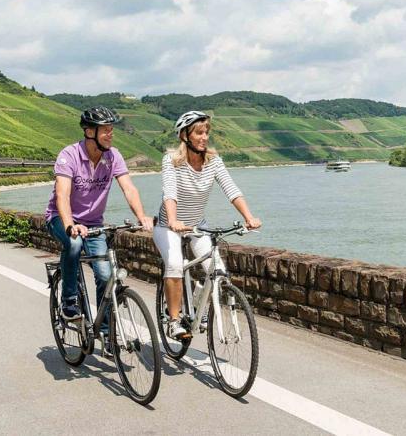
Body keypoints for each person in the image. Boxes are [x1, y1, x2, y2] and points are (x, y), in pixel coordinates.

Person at [45, 105, 153, 338]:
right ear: (89, 131)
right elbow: (62, 195)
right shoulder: (69, 155)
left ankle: (104, 331)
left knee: (106, 275)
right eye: (105, 129)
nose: (110, 134)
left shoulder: (113, 156)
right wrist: (70, 225)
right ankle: (69, 301)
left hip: (94, 224)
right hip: (61, 218)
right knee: (73, 244)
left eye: (111, 129)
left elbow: (129, 188)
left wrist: (141, 216)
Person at [153, 110, 261, 339]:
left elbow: (231, 189)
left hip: (197, 225)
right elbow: (169, 192)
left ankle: (199, 305)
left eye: (206, 132)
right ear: (185, 136)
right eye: (198, 133)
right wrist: (173, 220)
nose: (204, 137)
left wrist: (249, 217)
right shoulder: (171, 161)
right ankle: (174, 320)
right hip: (168, 226)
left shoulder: (214, 161)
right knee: (174, 265)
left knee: (218, 270)